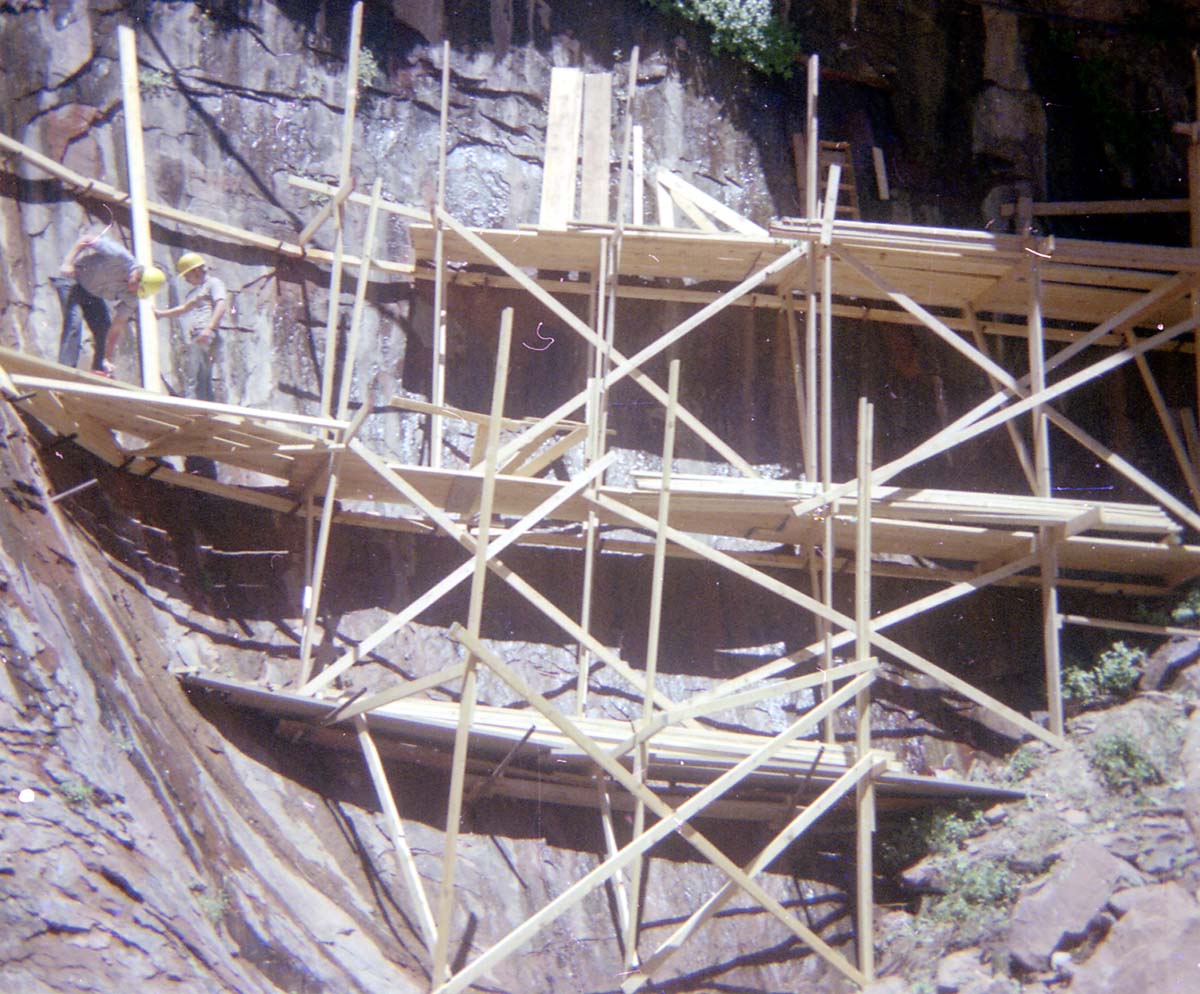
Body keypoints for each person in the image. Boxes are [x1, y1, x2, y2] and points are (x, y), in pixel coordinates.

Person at [52, 231, 166, 376]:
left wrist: (107, 357)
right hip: (74, 280)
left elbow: (117, 327)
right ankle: (64, 372)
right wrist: (68, 263)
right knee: (74, 322)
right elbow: (87, 239)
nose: (135, 292)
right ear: (138, 278)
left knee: (103, 329)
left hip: (92, 294)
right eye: (138, 288)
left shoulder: (133, 296)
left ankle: (99, 370)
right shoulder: (120, 256)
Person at [155, 251, 228, 402]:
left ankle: (197, 409)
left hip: (205, 333)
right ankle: (206, 408)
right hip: (199, 335)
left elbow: (221, 304)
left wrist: (209, 329)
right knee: (200, 376)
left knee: (197, 375)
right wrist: (160, 314)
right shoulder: (197, 292)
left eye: (187, 275)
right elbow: (183, 309)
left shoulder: (213, 283)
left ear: (195, 270)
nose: (186, 280)